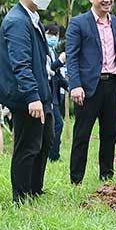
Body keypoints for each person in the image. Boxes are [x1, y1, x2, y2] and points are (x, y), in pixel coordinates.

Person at [0, 0, 55, 203]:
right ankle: (21, 197)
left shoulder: (33, 19)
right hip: (25, 96)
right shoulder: (17, 21)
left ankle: (34, 190)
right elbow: (20, 63)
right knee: (27, 147)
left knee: (45, 142)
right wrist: (32, 97)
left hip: (41, 93)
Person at [64, 0, 116, 184]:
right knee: (82, 135)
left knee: (110, 133)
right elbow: (72, 56)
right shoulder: (78, 23)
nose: (107, 0)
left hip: (112, 84)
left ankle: (106, 176)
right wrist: (75, 85)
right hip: (88, 87)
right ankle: (76, 180)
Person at [44, 23, 67, 162]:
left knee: (56, 125)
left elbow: (57, 76)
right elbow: (46, 71)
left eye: (56, 34)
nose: (53, 37)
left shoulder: (53, 51)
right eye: (50, 34)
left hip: (55, 95)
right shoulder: (43, 51)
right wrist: (59, 61)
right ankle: (52, 155)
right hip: (47, 94)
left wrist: (71, 87)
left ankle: (53, 154)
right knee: (56, 124)